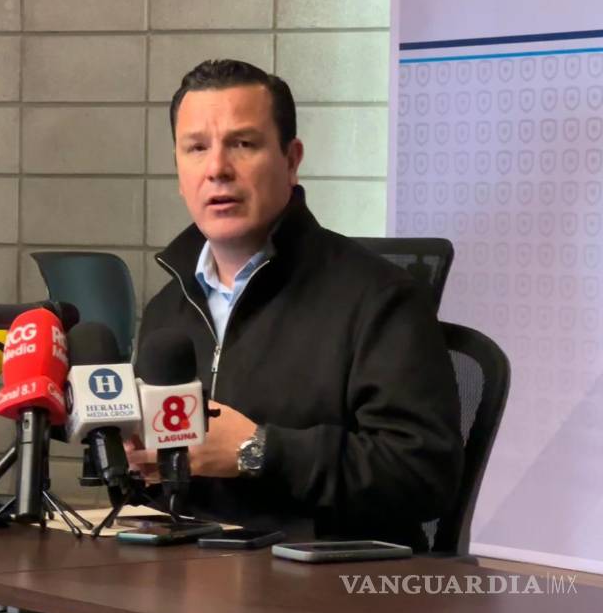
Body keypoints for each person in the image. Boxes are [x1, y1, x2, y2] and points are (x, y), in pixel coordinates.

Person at [127, 59, 463, 550]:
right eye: (196, 148)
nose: (217, 169)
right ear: (179, 171)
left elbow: (422, 476)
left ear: (291, 159)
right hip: (185, 573)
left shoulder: (380, 298)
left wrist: (258, 451)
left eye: (243, 144)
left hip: (322, 582)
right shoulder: (167, 309)